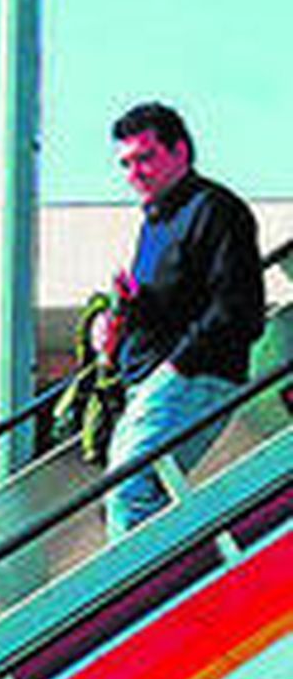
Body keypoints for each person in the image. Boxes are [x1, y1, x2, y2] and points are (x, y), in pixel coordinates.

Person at [94, 102, 264, 535]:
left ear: (181, 152)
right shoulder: (152, 222)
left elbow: (239, 311)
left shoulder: (216, 209)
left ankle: (143, 601)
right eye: (126, 164)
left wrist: (175, 365)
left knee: (131, 490)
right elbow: (167, 304)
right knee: (132, 493)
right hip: (149, 380)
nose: (135, 173)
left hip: (192, 375)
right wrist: (120, 319)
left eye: (146, 157)